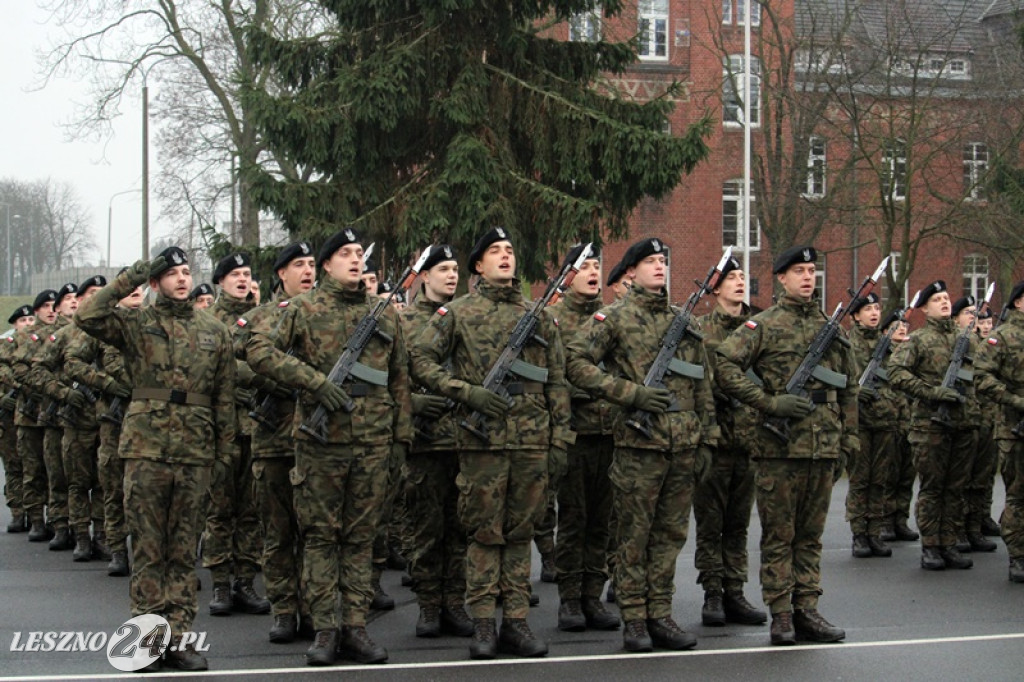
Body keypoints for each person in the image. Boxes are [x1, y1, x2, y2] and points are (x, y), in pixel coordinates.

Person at [246, 228, 412, 666]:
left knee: (360, 539)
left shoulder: (384, 313)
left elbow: (399, 379)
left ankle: (355, 627)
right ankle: (324, 629)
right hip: (321, 445)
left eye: (359, 254)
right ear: (326, 264)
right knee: (321, 538)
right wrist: (313, 381)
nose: (355, 260)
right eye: (345, 254)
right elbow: (257, 349)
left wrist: (400, 438)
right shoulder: (302, 309)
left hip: (373, 443)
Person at [410, 227, 572, 660]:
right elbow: (419, 361)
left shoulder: (538, 315)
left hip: (532, 441)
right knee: (483, 535)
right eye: (494, 252)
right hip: (481, 441)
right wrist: (463, 391)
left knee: (520, 534)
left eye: (510, 251)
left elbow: (556, 379)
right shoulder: (457, 314)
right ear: (477, 266)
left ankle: (516, 623)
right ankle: (483, 623)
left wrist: (560, 438)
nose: (505, 257)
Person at [76, 248, 238, 671]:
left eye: (186, 272)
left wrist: (224, 452)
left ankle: (179, 638)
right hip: (146, 449)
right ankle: (147, 643)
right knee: (148, 550)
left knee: (184, 551)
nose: (182, 279)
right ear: (154, 282)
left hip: (195, 450)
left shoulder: (214, 329)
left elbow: (224, 396)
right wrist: (136, 273)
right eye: (170, 273)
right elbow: (88, 315)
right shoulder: (136, 322)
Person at [566, 237, 716, 653]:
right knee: (634, 536)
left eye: (662, 261)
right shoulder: (612, 317)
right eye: (649, 262)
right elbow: (573, 362)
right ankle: (634, 618)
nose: (658, 268)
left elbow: (701, 381)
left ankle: (660, 613)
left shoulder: (683, 321)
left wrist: (708, 437)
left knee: (669, 536)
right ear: (630, 272)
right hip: (639, 444)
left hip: (682, 446)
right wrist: (628, 393)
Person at [716, 245, 856, 646]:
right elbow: (723, 366)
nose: (808, 277)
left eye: (812, 270)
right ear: (781, 278)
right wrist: (767, 402)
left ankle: (807, 608)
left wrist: (850, 437)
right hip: (778, 448)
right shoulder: (763, 326)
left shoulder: (833, 330)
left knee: (810, 536)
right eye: (799, 271)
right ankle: (781, 613)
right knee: (779, 534)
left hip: (823, 446)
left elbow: (850, 386)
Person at [234, 240, 317, 643]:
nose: (307, 271)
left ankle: (315, 608)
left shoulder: (325, 314)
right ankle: (284, 609)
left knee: (316, 533)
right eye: (298, 265)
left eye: (312, 264)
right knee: (278, 532)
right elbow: (235, 363)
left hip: (318, 441)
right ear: (281, 274)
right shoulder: (259, 317)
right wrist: (281, 382)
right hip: (273, 439)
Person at [398, 244, 475, 639]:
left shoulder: (466, 317)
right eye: (442, 269)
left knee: (461, 527)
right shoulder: (403, 321)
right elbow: (389, 380)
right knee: (427, 528)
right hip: (425, 442)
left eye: (454, 269)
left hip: (465, 438)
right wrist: (413, 404)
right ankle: (429, 605)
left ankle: (454, 601)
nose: (451, 275)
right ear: (423, 276)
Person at [548, 245, 621, 633]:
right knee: (574, 519)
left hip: (610, 432)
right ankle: (570, 598)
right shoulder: (552, 319)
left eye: (597, 266)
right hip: (574, 433)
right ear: (567, 276)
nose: (593, 272)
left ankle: (594, 594)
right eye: (585, 266)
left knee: (603, 522)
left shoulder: (612, 318)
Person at [693, 254, 767, 626]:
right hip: (717, 438)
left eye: (742, 276)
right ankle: (712, 593)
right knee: (710, 521)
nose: (739, 282)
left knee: (738, 523)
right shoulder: (701, 329)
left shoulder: (759, 329)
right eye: (731, 277)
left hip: (750, 439)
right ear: (715, 287)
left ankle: (735, 591)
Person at [890, 281, 979, 571]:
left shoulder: (967, 339)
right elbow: (895, 372)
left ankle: (949, 542)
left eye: (946, 298)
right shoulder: (918, 341)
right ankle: (930, 545)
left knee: (956, 488)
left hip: (963, 423)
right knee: (932, 488)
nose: (944, 302)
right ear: (925, 308)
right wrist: (931, 392)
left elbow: (982, 373)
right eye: (937, 299)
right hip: (930, 425)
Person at [204, 252, 271, 617]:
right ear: (221, 281)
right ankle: (220, 585)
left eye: (247, 274)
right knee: (219, 509)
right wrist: (247, 376)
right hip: (220, 430)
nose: (243, 280)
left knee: (249, 510)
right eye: (235, 275)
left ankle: (245, 581)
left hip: (255, 427)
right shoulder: (206, 320)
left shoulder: (262, 317)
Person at [28, 276, 109, 562]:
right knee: (76, 482)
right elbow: (37, 371)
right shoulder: (64, 335)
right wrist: (63, 394)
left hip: (109, 422)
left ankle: (102, 535)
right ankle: (80, 536)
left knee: (104, 484)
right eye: (91, 294)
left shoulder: (114, 331)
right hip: (76, 421)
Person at [64, 276, 142, 577]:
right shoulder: (105, 328)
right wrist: (104, 383)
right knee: (113, 486)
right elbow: (72, 361)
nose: (135, 292)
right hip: (115, 421)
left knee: (155, 491)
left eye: (140, 288)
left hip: (153, 421)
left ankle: (158, 559)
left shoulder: (155, 324)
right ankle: (118, 549)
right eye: (128, 288)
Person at [845, 292, 901, 559]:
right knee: (860, 480)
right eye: (868, 309)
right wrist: (856, 392)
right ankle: (859, 534)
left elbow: (898, 378)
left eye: (877, 308)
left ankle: (874, 532)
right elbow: (839, 380)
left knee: (880, 479)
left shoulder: (887, 344)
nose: (874, 313)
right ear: (856, 315)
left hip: (885, 418)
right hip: (859, 422)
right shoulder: (846, 343)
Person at [976, 281, 1024, 582]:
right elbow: (981, 376)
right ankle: (1018, 557)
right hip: (1015, 428)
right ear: (1019, 302)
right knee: (1019, 496)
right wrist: (1016, 400)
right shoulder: (1002, 337)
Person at [7, 290, 59, 542]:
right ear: (36, 310)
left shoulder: (59, 335)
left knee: (54, 471)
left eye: (54, 305)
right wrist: (37, 390)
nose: (51, 310)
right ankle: (34, 518)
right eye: (46, 306)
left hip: (54, 415)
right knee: (31, 469)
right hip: (29, 415)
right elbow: (18, 370)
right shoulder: (28, 338)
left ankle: (55, 519)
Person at [951, 298, 998, 553]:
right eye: (968, 313)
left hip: (985, 415)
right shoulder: (956, 342)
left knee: (981, 477)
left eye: (975, 313)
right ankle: (957, 530)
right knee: (962, 478)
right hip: (964, 417)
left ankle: (974, 527)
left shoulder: (982, 344)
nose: (974, 317)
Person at [0, 305, 36, 533]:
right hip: (7, 417)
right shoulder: (4, 346)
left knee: (33, 467)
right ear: (15, 324)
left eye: (31, 319)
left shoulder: (39, 344)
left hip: (31, 414)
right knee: (13, 467)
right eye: (23, 321)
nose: (28, 324)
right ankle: (17, 511)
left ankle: (35, 513)